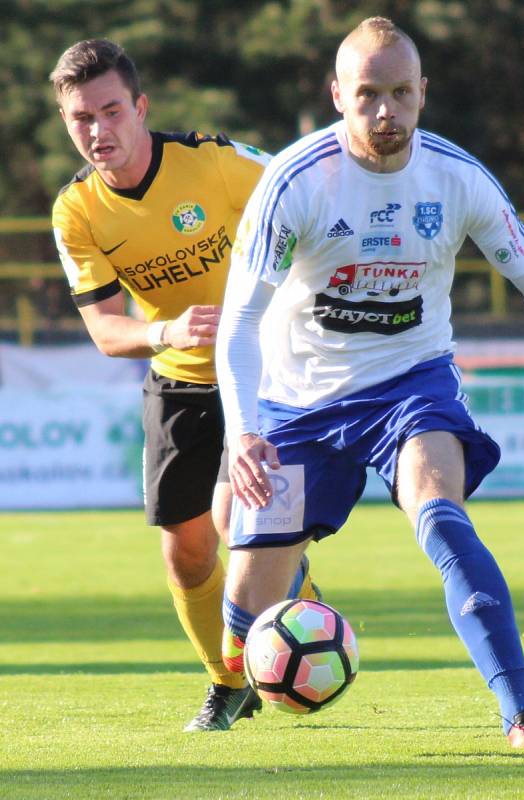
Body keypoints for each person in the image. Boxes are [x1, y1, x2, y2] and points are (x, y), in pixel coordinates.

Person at [215, 17, 524, 748]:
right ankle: (286, 565)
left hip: (410, 385)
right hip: (297, 401)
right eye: (369, 93)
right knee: (243, 619)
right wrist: (244, 430)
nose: (386, 111)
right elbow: (239, 318)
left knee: (440, 515)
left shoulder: (456, 178)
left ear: (422, 94)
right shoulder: (295, 183)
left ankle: (521, 713)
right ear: (337, 94)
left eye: (400, 93)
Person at [50, 38, 321, 732]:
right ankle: (226, 682)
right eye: (81, 118)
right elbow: (108, 333)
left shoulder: (215, 163)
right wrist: (167, 332)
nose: (98, 131)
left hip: (263, 371)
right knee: (185, 547)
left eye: (111, 111)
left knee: (240, 524)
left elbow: (309, 190)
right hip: (178, 379)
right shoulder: (76, 211)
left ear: (140, 108)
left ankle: (301, 642)